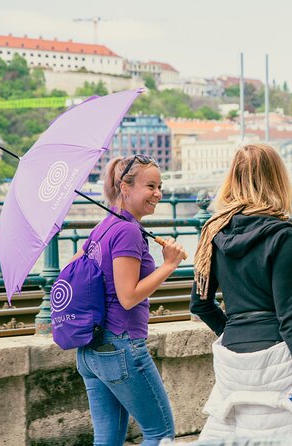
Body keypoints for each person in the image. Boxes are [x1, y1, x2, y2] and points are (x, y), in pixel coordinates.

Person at [189, 143, 292, 439]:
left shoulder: (213, 232)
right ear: (276, 178)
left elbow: (200, 305)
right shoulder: (280, 233)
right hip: (277, 355)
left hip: (232, 358)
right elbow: (288, 316)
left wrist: (235, 329)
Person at [72, 154, 187, 446]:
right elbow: (128, 297)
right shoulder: (127, 231)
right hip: (121, 346)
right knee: (160, 434)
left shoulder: (103, 227)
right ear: (126, 187)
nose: (158, 194)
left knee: (107, 440)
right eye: (150, 186)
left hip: (91, 350)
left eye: (159, 186)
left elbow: (73, 269)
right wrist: (168, 265)